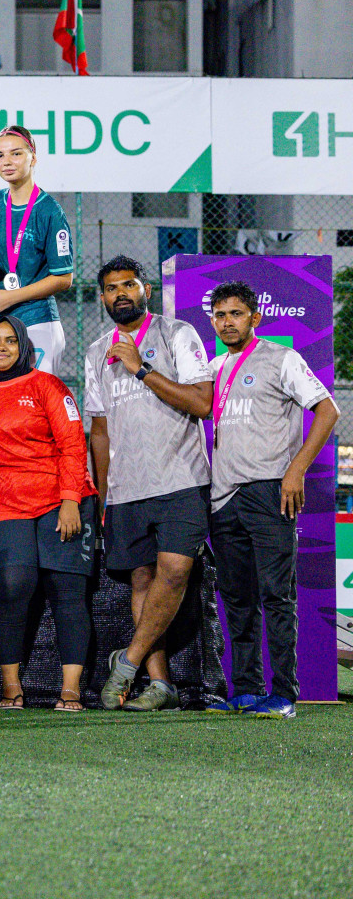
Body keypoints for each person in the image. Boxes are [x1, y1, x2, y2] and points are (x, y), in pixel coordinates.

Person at [84, 255, 213, 712]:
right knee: (141, 579)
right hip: (125, 489)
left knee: (174, 572)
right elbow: (98, 429)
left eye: (129, 285)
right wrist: (103, 493)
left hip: (180, 479)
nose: (120, 293)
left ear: (147, 290)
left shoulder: (176, 334)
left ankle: (128, 662)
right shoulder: (95, 351)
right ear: (101, 297)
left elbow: (202, 402)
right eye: (111, 288)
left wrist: (140, 368)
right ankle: (158, 684)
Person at [204, 282, 338, 719]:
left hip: (268, 491)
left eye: (236, 314)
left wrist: (295, 470)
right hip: (223, 496)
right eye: (220, 314)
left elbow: (328, 410)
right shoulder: (214, 367)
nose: (227, 322)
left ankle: (284, 695)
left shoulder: (281, 359)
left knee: (276, 596)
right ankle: (245, 690)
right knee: (237, 599)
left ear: (255, 318)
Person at [0, 314, 97, 713]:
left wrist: (71, 498)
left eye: (11, 341)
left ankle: (71, 690)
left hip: (62, 498)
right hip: (6, 501)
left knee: (67, 592)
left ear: (24, 346)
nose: (2, 347)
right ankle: (11, 688)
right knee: (11, 586)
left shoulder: (48, 385)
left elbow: (74, 444)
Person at [0, 126, 74, 381]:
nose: (6, 162)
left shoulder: (50, 211)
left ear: (33, 157)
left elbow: (64, 278)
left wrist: (11, 297)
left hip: (36, 322)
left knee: (36, 403)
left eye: (16, 154)